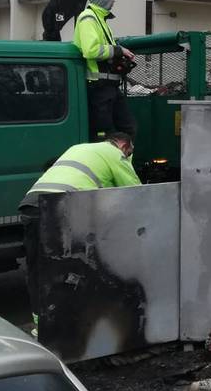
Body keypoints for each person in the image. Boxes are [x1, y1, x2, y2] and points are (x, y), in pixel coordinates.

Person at [19, 133, 141, 317]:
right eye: (129, 153)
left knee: (37, 267)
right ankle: (72, 319)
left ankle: (39, 323)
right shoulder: (115, 153)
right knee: (75, 265)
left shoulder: (79, 148)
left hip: (32, 204)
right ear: (124, 146)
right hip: (61, 206)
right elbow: (135, 192)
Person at [73, 0, 136, 139]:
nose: (114, 0)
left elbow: (102, 49)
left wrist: (118, 51)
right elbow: (91, 50)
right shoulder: (88, 18)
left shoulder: (99, 18)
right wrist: (119, 50)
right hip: (99, 87)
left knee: (126, 129)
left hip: (108, 86)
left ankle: (117, 154)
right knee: (105, 134)